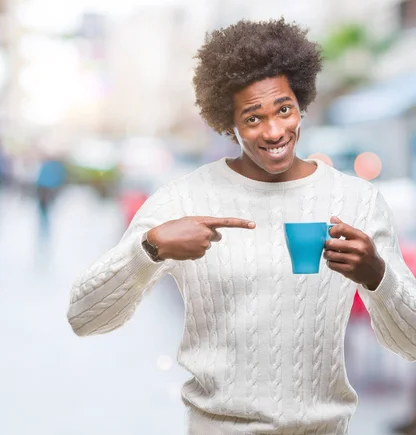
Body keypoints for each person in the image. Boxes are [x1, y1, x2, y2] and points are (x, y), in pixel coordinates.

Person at [66, 18, 416, 434]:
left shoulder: (356, 200)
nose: (274, 131)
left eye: (284, 110)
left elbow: (409, 342)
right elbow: (83, 317)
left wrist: (377, 276)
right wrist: (149, 249)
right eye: (253, 118)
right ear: (227, 124)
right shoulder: (184, 199)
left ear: (300, 104)